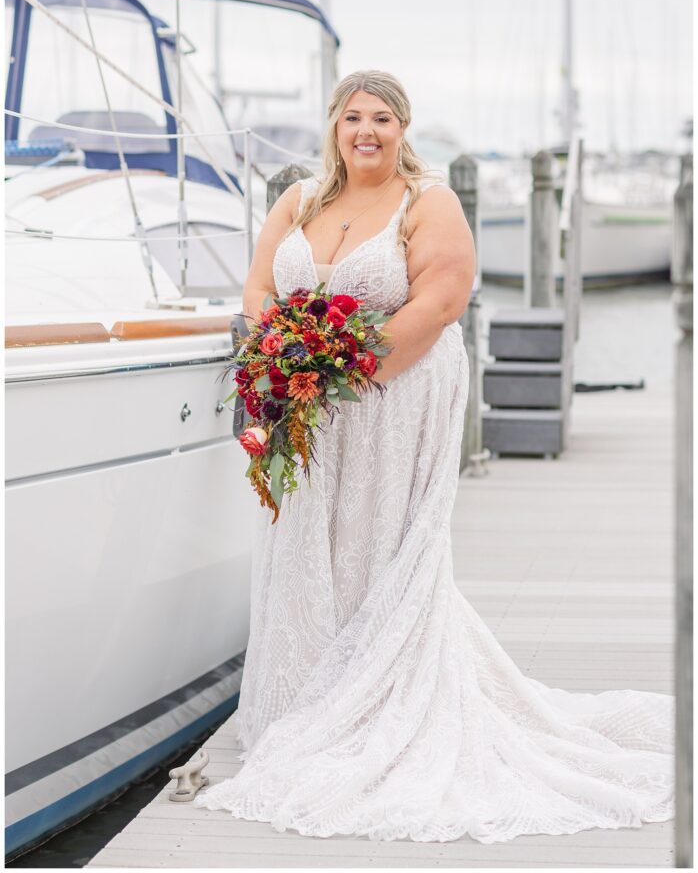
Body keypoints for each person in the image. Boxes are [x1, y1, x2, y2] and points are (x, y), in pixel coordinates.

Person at [194, 70, 674, 843]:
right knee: (309, 550)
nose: (368, 132)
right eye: (354, 118)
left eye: (383, 119)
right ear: (334, 126)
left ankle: (381, 700)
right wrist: (284, 356)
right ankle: (304, 705)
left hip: (393, 400)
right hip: (308, 409)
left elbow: (442, 300)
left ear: (403, 128)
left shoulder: (430, 202)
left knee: (379, 549)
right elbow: (257, 289)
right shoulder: (298, 201)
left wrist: (347, 369)